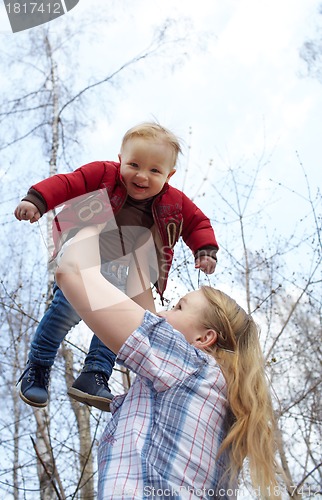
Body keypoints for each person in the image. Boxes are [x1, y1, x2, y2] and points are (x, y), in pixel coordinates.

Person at [55, 224, 282, 500]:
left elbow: (72, 272)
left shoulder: (190, 367)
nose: (163, 313)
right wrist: (137, 237)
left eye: (178, 307)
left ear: (203, 338)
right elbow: (141, 293)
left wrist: (88, 226)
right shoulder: (214, 392)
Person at [14, 122, 219, 411]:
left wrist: (205, 249)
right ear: (121, 159)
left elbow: (198, 222)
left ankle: (95, 374)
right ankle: (38, 365)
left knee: (117, 321)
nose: (142, 176)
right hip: (86, 261)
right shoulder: (104, 174)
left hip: (124, 274)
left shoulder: (174, 202)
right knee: (62, 313)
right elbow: (69, 182)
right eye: (134, 164)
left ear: (169, 175)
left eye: (154, 171)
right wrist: (37, 200)